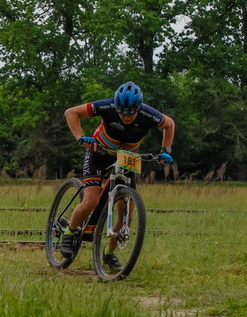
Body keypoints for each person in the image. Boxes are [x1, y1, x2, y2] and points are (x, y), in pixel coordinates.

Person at [62, 82, 175, 270]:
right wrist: (80, 137)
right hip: (99, 153)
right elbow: (71, 112)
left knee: (127, 215)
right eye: (122, 113)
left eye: (131, 113)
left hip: (127, 158)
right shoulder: (107, 106)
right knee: (91, 201)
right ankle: (70, 232)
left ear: (138, 108)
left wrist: (166, 150)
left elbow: (169, 124)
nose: (126, 117)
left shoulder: (149, 114)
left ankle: (109, 253)